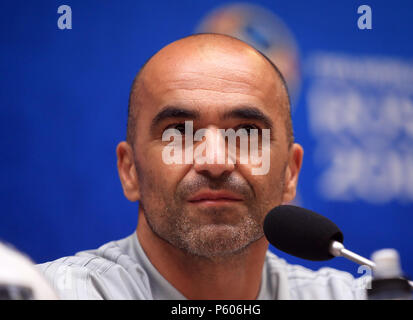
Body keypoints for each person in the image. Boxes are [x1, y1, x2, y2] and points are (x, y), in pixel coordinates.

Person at [37, 34, 367, 300]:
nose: (215, 162)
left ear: (290, 173)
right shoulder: (49, 293)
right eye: (179, 132)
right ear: (130, 170)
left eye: (247, 133)